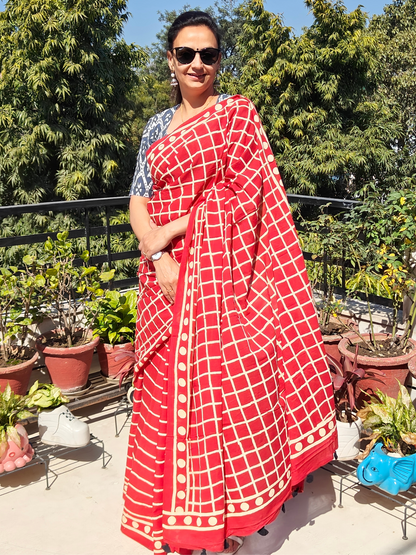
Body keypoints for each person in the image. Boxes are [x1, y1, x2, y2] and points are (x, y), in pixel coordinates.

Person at [122, 10, 337, 555]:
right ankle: (172, 521)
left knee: (224, 395)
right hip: (164, 281)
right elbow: (137, 199)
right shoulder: (154, 128)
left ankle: (221, 525)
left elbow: (249, 199)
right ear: (170, 60)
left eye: (209, 54)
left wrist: (175, 226)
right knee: (164, 397)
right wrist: (159, 254)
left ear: (220, 61)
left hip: (224, 278)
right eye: (186, 53)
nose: (198, 63)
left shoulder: (237, 117)